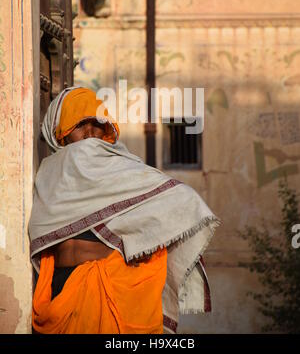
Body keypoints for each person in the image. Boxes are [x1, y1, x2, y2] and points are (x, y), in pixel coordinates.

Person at [29, 86, 220, 334]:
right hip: (61, 290)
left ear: (107, 130)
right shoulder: (48, 173)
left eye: (96, 123)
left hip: (115, 291)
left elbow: (182, 201)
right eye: (79, 124)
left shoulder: (121, 168)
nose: (89, 132)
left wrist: (138, 245)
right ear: (60, 134)